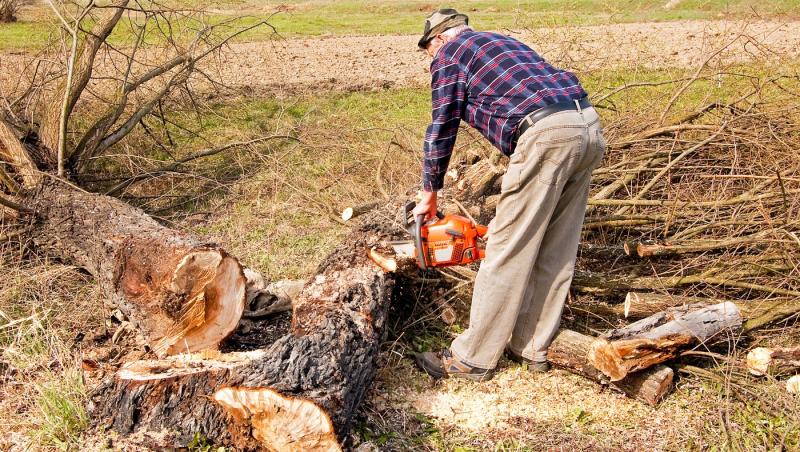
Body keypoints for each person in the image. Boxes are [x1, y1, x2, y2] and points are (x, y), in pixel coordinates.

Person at [413, 9, 606, 381]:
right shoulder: (503, 42)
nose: (429, 62)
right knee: (556, 246)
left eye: (427, 54)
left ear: (438, 39)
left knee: (506, 246)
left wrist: (429, 192)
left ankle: (472, 358)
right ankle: (532, 347)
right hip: (587, 126)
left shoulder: (450, 55)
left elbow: (441, 126)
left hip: (547, 134)